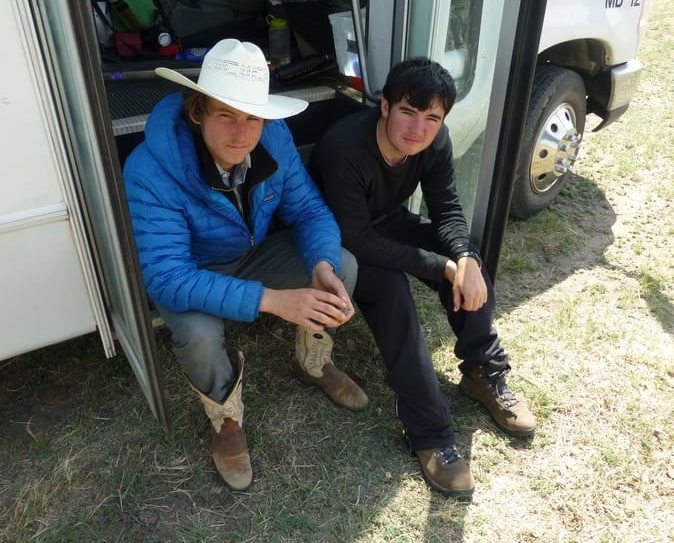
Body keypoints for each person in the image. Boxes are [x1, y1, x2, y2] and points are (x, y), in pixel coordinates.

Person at [123, 39, 366, 492]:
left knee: (343, 266)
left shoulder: (274, 139)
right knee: (196, 335)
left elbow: (310, 211)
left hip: (250, 255)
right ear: (197, 113)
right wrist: (273, 301)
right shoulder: (149, 170)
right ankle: (224, 415)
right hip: (193, 271)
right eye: (226, 115)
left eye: (252, 116)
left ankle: (313, 361)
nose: (241, 132)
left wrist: (321, 266)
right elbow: (167, 277)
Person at [308, 57, 536, 498]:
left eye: (432, 117)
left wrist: (464, 258)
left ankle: (482, 370)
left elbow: (446, 207)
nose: (418, 129)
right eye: (409, 112)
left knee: (471, 266)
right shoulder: (345, 149)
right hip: (336, 242)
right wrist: (444, 267)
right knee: (393, 292)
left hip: (386, 224)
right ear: (386, 106)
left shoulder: (433, 142)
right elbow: (358, 238)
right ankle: (429, 434)